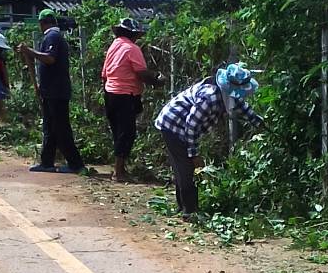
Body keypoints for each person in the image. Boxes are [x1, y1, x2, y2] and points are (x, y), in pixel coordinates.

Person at [154, 63, 264, 216]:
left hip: (182, 126)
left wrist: (257, 121)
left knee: (182, 168)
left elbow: (241, 106)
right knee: (186, 170)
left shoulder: (227, 94)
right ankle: (189, 211)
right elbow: (191, 126)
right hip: (173, 125)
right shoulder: (210, 98)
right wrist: (194, 155)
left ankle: (184, 207)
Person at [20, 9, 84, 174]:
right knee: (50, 127)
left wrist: (30, 52)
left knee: (61, 128)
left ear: (43, 23)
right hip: (51, 91)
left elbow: (50, 58)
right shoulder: (51, 36)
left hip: (57, 91)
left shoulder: (53, 36)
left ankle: (76, 164)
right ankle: (47, 162)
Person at [100, 16, 162, 182]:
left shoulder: (113, 46)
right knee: (127, 133)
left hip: (111, 93)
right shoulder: (132, 48)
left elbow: (104, 74)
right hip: (125, 94)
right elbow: (141, 73)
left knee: (118, 132)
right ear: (133, 34)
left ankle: (119, 168)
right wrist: (156, 81)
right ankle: (118, 172)